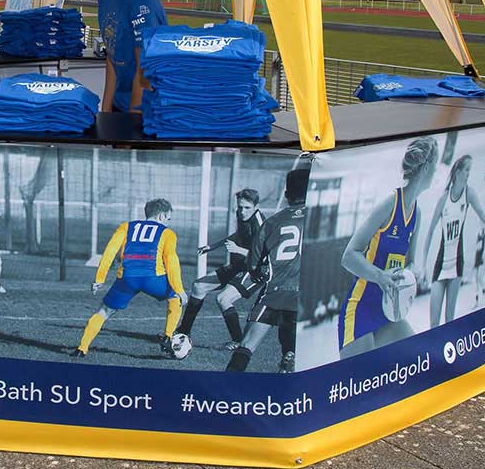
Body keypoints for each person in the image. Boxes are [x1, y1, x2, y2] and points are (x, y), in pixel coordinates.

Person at [338, 137, 439, 359]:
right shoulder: (390, 204)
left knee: (419, 360)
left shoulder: (416, 213)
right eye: (435, 165)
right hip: (361, 307)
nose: (436, 171)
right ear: (424, 168)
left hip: (389, 308)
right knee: (356, 384)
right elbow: (349, 256)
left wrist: (410, 276)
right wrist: (381, 276)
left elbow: (410, 261)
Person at [227, 154, 315, 373]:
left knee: (246, 345)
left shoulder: (272, 222)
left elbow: (253, 263)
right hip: (303, 297)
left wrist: (259, 274)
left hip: (274, 293)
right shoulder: (320, 219)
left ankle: (222, 394)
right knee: (296, 350)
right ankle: (288, 366)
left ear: (286, 195)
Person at [74, 198, 187, 358]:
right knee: (175, 298)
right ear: (162, 216)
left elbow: (109, 252)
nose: (168, 222)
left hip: (127, 278)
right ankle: (167, 337)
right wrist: (180, 290)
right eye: (168, 218)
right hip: (152, 278)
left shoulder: (126, 227)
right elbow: (171, 262)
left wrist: (100, 279)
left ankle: (82, 348)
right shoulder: (167, 233)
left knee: (104, 311)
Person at [177, 188, 265, 348]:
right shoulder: (242, 216)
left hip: (254, 270)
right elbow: (238, 236)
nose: (242, 211)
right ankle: (183, 332)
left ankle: (238, 342)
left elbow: (262, 256)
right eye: (240, 207)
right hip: (239, 266)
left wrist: (238, 250)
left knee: (223, 298)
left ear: (256, 207)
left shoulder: (260, 224)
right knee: (198, 287)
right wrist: (213, 246)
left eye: (247, 208)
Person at [421, 154, 485, 328]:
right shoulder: (444, 198)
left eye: (470, 170)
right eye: (466, 169)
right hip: (440, 265)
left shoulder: (469, 193)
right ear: (457, 171)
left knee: (450, 319)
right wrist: (424, 266)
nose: (468, 173)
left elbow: (481, 213)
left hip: (457, 263)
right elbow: (430, 231)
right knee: (434, 322)